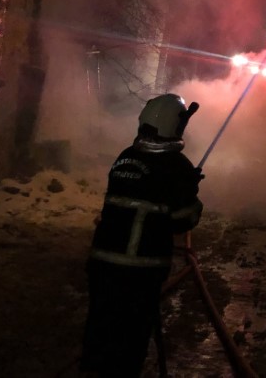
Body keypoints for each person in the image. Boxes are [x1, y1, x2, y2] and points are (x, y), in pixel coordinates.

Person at [80, 93, 204, 377]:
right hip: (140, 270)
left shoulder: (125, 157)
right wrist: (190, 192)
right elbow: (184, 220)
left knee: (98, 332)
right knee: (129, 341)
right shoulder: (176, 165)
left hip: (102, 264)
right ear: (176, 126)